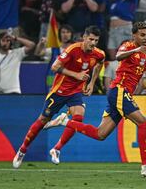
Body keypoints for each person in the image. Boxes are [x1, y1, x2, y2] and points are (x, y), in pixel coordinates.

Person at [44, 22, 146, 177]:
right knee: (144, 122)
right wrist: (137, 49)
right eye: (142, 35)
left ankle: (65, 121)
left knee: (100, 134)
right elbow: (118, 56)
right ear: (134, 35)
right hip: (119, 90)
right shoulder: (128, 46)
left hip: (124, 93)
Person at [12, 26, 105, 168]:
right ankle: (22, 150)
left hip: (75, 92)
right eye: (91, 39)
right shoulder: (73, 50)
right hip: (59, 91)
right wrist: (77, 75)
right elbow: (54, 67)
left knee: (78, 118)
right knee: (42, 120)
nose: (93, 43)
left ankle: (56, 149)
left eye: (96, 40)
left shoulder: (98, 54)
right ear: (84, 38)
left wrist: (91, 83)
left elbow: (100, 63)